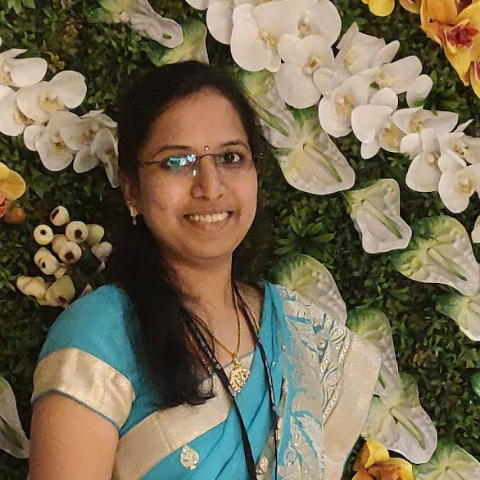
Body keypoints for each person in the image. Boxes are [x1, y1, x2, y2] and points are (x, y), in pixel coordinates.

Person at [28, 61, 381, 480]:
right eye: (176, 161)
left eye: (231, 157)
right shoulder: (100, 334)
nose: (210, 186)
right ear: (132, 189)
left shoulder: (293, 329)